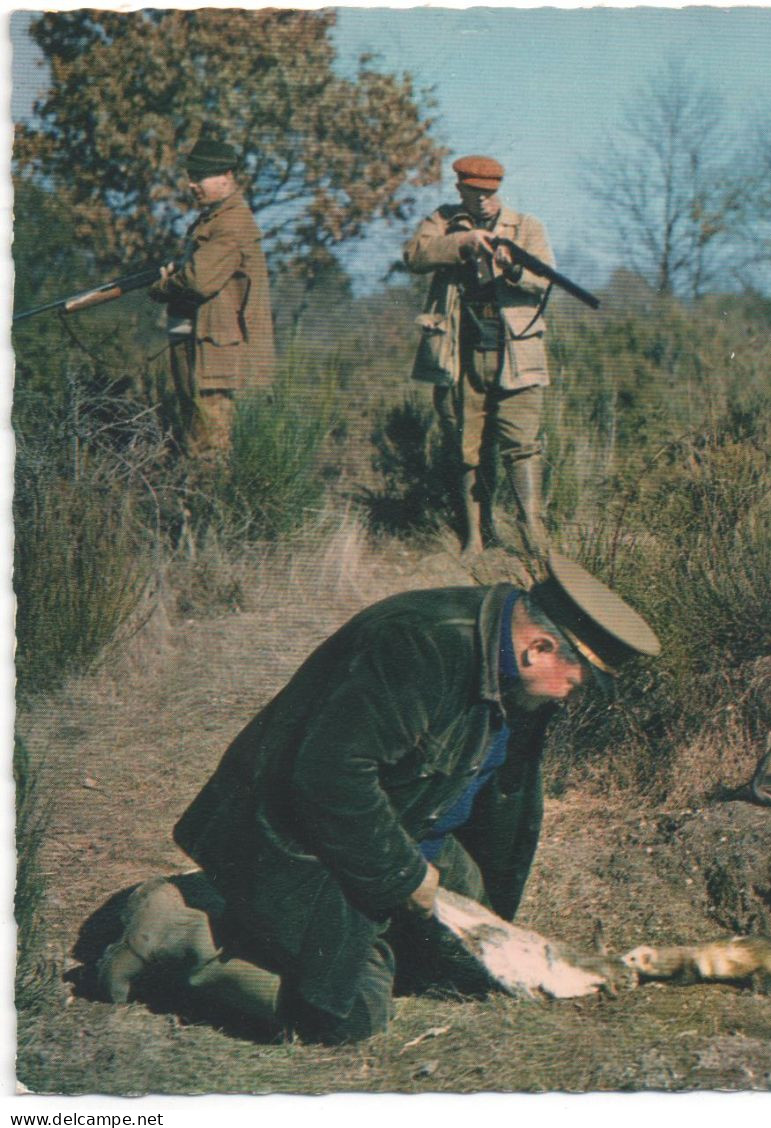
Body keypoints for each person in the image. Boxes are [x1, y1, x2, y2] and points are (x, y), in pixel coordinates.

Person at [98, 555, 660, 1044]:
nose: (573, 697)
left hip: (406, 833)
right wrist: (402, 879)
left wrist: (465, 898)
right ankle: (181, 931)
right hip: (292, 838)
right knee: (347, 1016)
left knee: (474, 973)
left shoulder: (518, 671)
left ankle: (285, 923)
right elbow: (329, 780)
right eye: (580, 681)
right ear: (538, 648)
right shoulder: (419, 645)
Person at [404, 155, 557, 554]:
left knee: (521, 444)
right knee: (465, 446)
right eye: (476, 193)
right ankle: (474, 537)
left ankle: (532, 533)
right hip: (460, 354)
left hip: (516, 352)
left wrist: (514, 270)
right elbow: (415, 256)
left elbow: (545, 280)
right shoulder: (443, 220)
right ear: (461, 190)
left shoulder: (526, 227)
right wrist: (463, 242)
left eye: (491, 193)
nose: (485, 201)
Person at [147, 139, 275, 463]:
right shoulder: (213, 219)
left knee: (211, 446)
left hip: (217, 351)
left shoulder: (231, 222)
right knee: (196, 438)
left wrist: (162, 287)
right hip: (200, 344)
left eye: (200, 176)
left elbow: (198, 281)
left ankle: (213, 511)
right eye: (191, 176)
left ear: (226, 176)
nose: (192, 184)